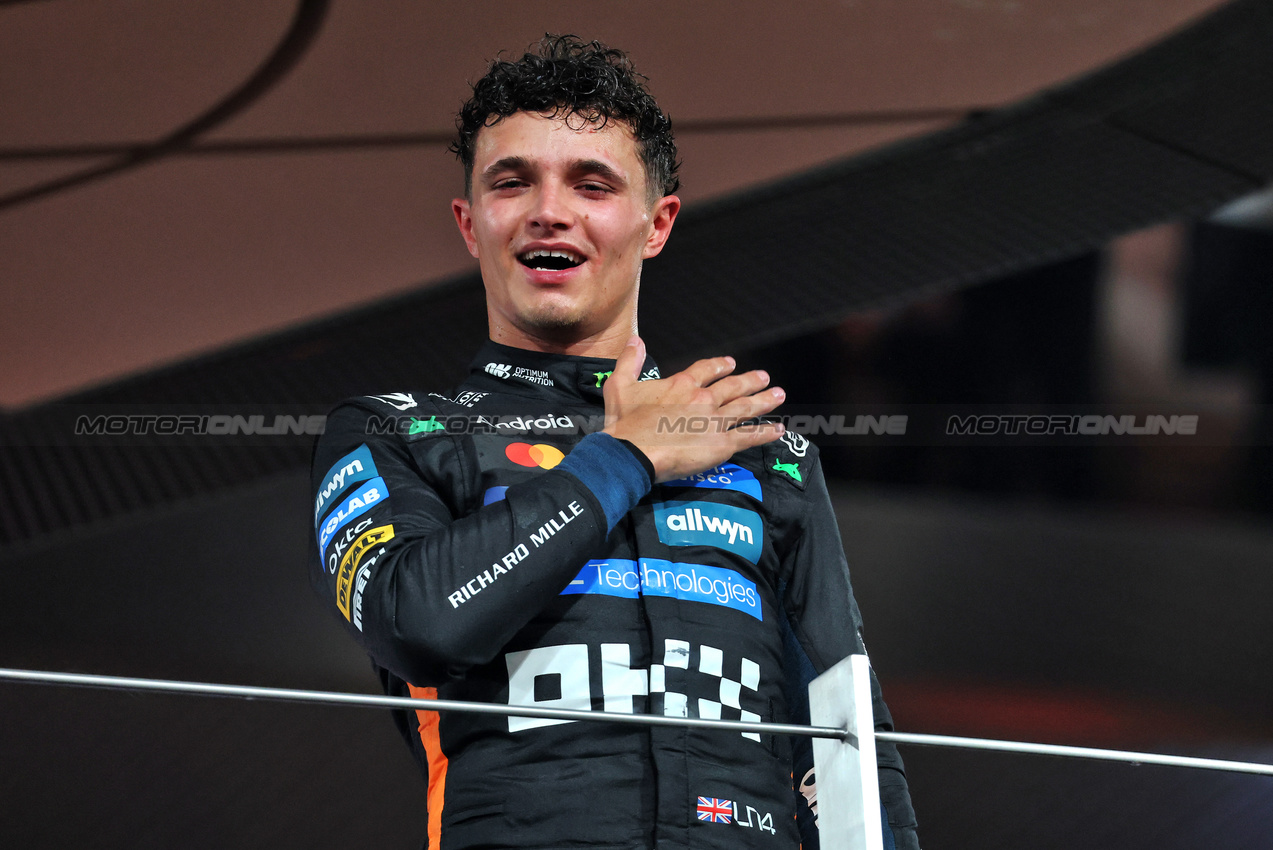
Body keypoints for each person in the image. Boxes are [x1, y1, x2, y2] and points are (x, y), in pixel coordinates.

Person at [311, 35, 919, 850]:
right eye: (511, 182)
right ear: (469, 224)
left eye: (591, 185)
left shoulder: (764, 453)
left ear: (656, 223)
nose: (548, 210)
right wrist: (627, 457)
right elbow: (416, 625)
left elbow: (846, 730)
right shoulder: (394, 430)